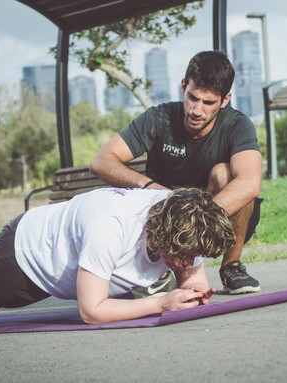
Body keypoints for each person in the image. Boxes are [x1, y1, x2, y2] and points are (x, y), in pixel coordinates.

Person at [0, 188, 235, 339]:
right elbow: (91, 311)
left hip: (59, 253)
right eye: (184, 255)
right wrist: (161, 301)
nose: (190, 261)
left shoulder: (188, 217)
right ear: (162, 233)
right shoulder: (111, 227)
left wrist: (194, 290)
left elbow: (192, 274)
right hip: (28, 254)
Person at [90, 50, 263, 295]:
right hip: (162, 218)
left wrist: (195, 222)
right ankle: (161, 274)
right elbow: (101, 161)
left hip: (212, 217)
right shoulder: (158, 118)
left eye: (208, 102)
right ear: (183, 86)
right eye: (192, 97)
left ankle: (231, 267)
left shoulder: (238, 124)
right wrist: (150, 188)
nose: (196, 110)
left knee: (226, 174)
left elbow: (250, 183)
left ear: (225, 100)